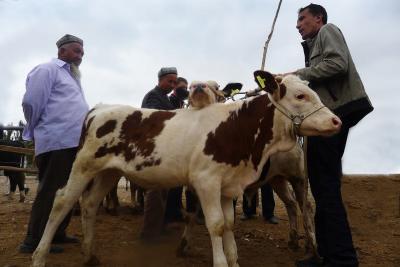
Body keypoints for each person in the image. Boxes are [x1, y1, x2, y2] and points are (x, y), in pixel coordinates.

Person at [289, 4, 373, 267]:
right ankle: (326, 255)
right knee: (321, 185)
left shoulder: (328, 31)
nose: (298, 24)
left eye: (302, 19)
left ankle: (342, 259)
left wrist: (295, 77)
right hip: (322, 118)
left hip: (332, 114)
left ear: (318, 18)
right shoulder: (314, 43)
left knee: (325, 187)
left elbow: (337, 63)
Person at [19, 34, 89, 254]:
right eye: (76, 51)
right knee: (50, 191)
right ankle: (33, 241)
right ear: (62, 51)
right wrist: (38, 127)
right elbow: (31, 102)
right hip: (57, 140)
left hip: (72, 142)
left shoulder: (72, 76)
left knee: (66, 190)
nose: (80, 56)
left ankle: (57, 233)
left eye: (82, 53)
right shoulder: (47, 70)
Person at [140, 67, 178, 240]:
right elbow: (153, 121)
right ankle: (149, 233)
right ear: (160, 79)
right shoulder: (153, 96)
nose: (172, 84)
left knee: (163, 191)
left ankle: (158, 227)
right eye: (169, 81)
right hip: (154, 149)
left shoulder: (165, 98)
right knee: (155, 191)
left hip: (164, 148)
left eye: (174, 82)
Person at [164, 76, 189, 224]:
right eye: (181, 87)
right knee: (171, 183)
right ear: (175, 87)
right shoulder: (170, 101)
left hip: (179, 146)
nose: (184, 90)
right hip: (170, 145)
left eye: (185, 88)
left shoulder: (181, 102)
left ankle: (176, 209)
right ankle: (170, 212)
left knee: (178, 182)